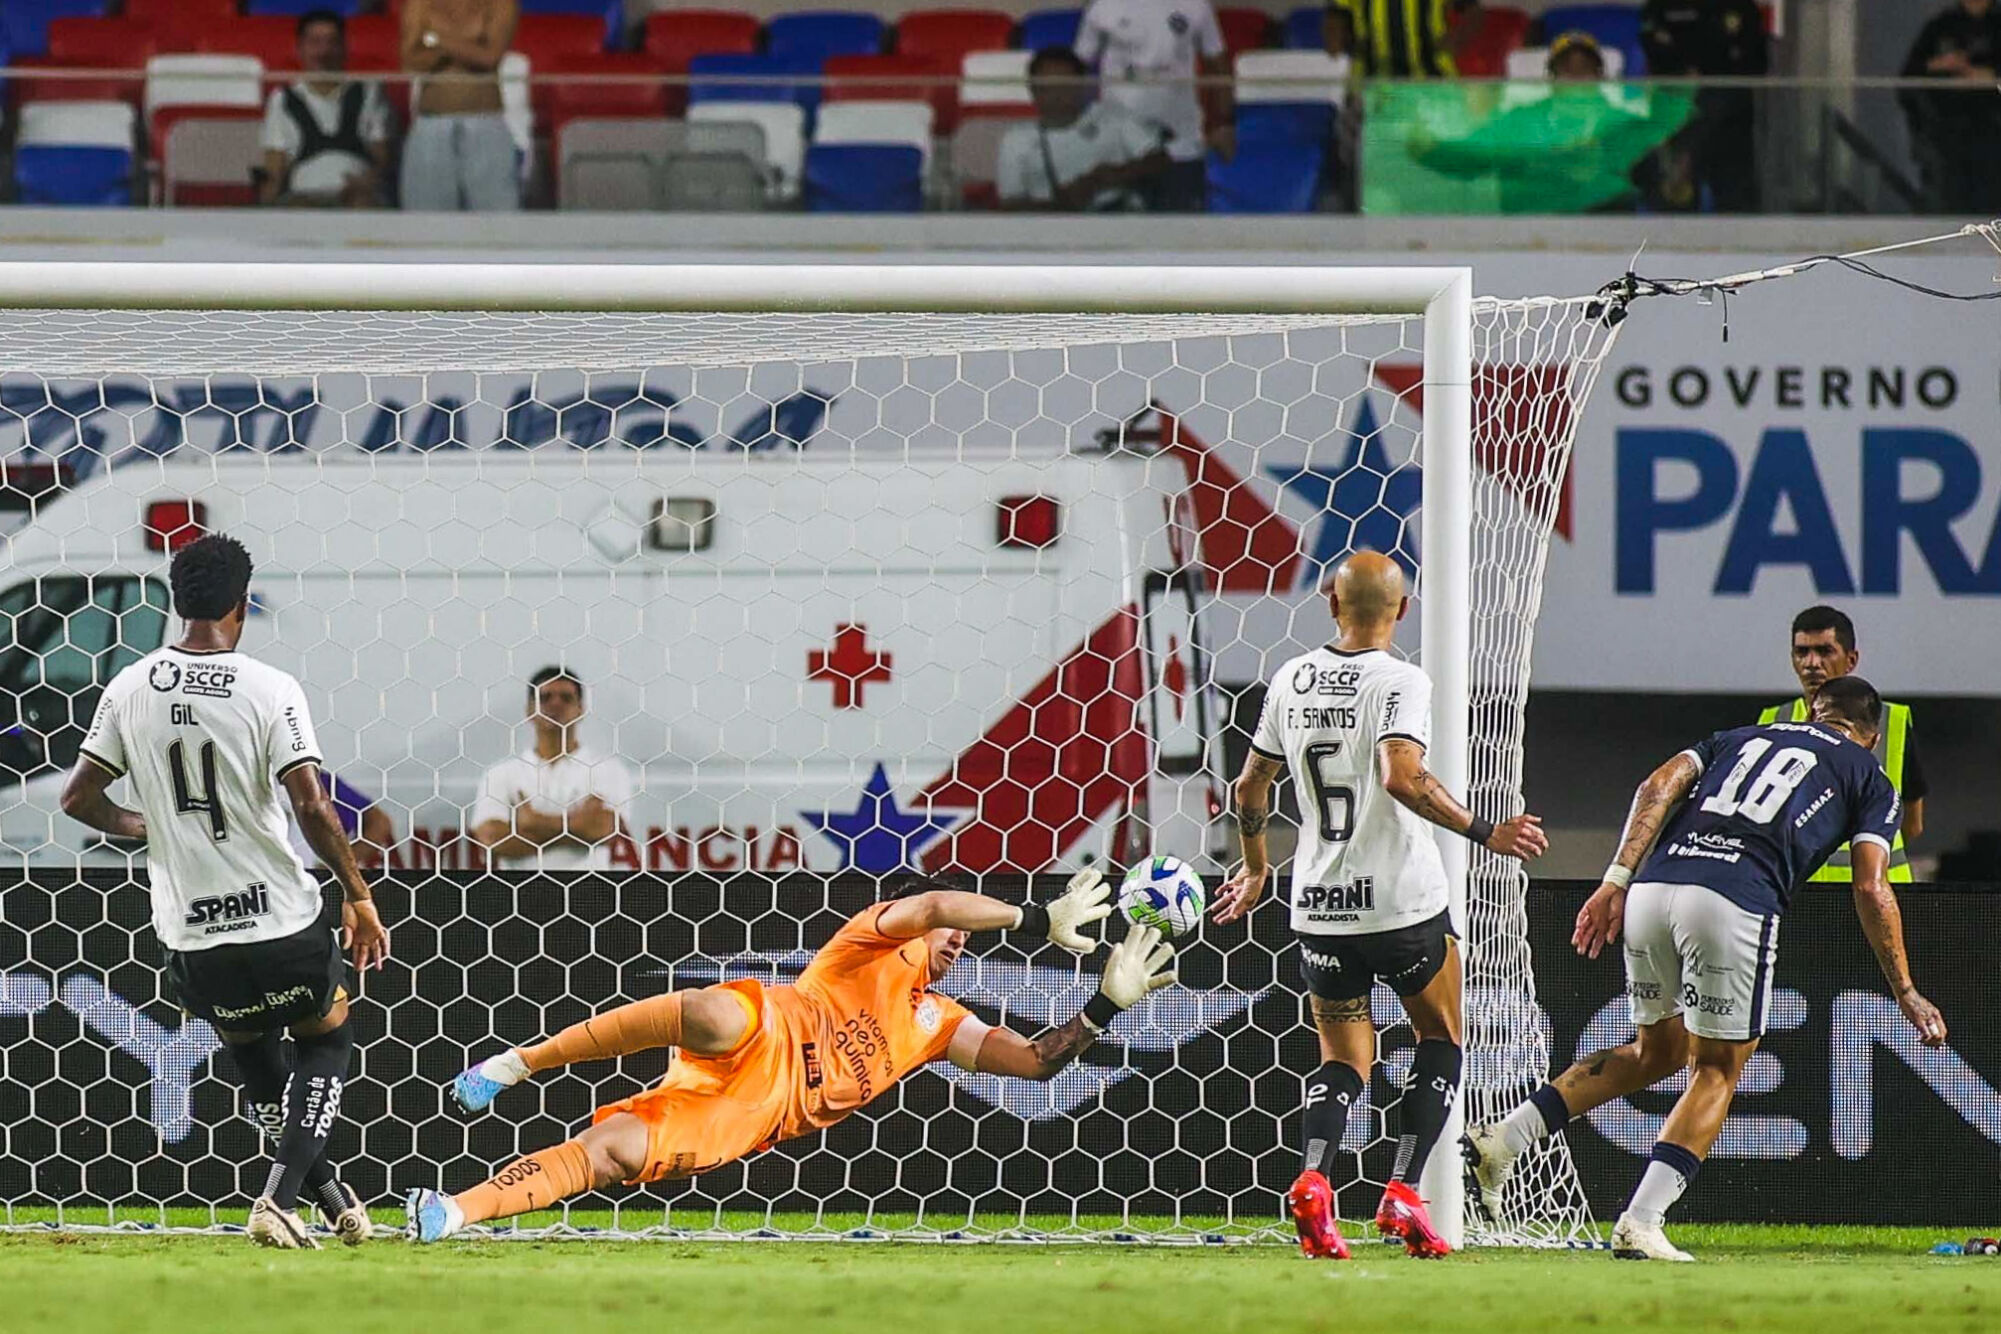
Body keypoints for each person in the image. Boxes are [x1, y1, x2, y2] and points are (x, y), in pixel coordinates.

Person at [405, 870, 1174, 1240]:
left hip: (752, 1110)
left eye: (965, 940)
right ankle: (517, 1063)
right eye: (952, 930)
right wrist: (1038, 916)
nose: (956, 937)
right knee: (710, 1010)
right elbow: (938, 905)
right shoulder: (875, 941)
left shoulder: (940, 1022)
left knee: (608, 1154)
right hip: (769, 1024)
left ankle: (452, 1213)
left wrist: (1105, 1005)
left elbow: (1037, 1063)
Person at [1466, 675, 1946, 1262]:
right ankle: (1641, 1222)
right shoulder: (1869, 775)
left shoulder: (1738, 737)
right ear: (1870, 736)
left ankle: (1506, 1138)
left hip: (1653, 888)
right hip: (1732, 901)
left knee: (1658, 1051)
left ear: (1813, 710)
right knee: (1718, 1068)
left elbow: (1657, 784)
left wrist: (1616, 879)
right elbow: (1871, 885)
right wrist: (1905, 989)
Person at [1210, 551, 1548, 1259]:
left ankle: (1312, 1177)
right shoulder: (1400, 680)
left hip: (1319, 906)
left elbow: (1248, 789)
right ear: (1402, 609)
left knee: (1343, 1059)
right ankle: (1400, 1192)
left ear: (1330, 602)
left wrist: (1254, 870)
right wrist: (1488, 831)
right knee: (1440, 1040)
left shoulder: (1291, 678)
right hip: (1400, 904)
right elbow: (1402, 776)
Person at [59, 534, 391, 1250]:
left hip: (191, 934)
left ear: (177, 603)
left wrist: (145, 826)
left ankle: (331, 1197)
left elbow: (79, 799)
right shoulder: (268, 687)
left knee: (257, 1058)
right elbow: (312, 807)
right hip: (276, 913)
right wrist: (358, 894)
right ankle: (277, 1198)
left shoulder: (127, 686)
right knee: (327, 1039)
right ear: (242, 604)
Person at [1409, 32, 1694, 214]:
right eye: (1567, 68)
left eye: (1585, 68)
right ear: (1552, 76)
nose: (1576, 75)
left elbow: (1663, 190)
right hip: (1529, 237)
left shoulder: (1622, 124)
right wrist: (1427, 150)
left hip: (1610, 242)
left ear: (1599, 75)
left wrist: (1679, 191)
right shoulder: (1522, 121)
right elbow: (1472, 157)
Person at [1759, 606, 1926, 882]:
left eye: (1825, 651)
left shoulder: (1892, 721)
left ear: (1851, 660)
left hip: (1877, 890)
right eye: (1802, 652)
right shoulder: (1772, 721)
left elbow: (1912, 824)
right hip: (1799, 895)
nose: (1812, 663)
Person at [469, 666, 634, 872]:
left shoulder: (607, 769)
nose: (555, 704)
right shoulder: (501, 773)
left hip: (589, 894)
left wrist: (533, 822)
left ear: (580, 709)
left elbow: (605, 828)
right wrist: (577, 827)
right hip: (519, 894)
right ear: (529, 710)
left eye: (566, 698)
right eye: (545, 697)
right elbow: (491, 837)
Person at [1075, 0, 1233, 211]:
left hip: (1182, 145)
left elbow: (1218, 64)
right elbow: (1076, 70)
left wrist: (1223, 123)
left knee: (1179, 235)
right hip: (1119, 151)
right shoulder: (1102, 7)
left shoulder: (1196, 6)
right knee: (1117, 234)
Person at [998, 47, 1174, 211]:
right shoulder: (1016, 139)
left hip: (1120, 222)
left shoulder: (1113, 117)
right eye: (1048, 88)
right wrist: (1061, 206)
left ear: (1081, 86)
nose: (1057, 96)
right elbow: (1010, 205)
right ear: (1033, 91)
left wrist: (1107, 176)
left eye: (1065, 86)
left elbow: (1159, 160)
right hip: (1049, 231)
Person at [1638, 0, 1769, 212]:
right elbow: (1656, 50)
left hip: (1731, 120)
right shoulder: (1661, 5)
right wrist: (1705, 56)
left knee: (1734, 196)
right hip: (1676, 113)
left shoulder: (1741, 6)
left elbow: (1754, 63)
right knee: (1676, 195)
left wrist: (1698, 57)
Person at [258, 9, 393, 208]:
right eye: (315, 43)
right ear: (299, 49)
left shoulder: (369, 92)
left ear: (345, 48)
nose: (324, 52)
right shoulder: (282, 100)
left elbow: (385, 160)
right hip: (302, 198)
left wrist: (367, 184)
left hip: (359, 196)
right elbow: (274, 169)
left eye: (332, 42)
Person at [399, 0, 520, 211]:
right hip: (431, 124)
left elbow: (490, 58)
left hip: (486, 122)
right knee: (426, 220)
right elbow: (411, 61)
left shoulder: (501, 3)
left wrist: (436, 38)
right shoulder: (420, 4)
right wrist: (469, 43)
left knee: (496, 220)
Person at [1899, 0, 2001, 215]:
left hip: (1993, 130)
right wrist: (1939, 64)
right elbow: (1909, 76)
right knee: (1948, 196)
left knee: (1990, 193)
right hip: (1947, 132)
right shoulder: (1942, 26)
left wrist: (1990, 77)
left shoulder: (1996, 24)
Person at [1325, 0, 1478, 77]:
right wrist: (1338, 37)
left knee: (1439, 137)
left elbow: (1473, 10)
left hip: (1433, 77)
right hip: (1372, 80)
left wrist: (1455, 39)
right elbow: (1337, 13)